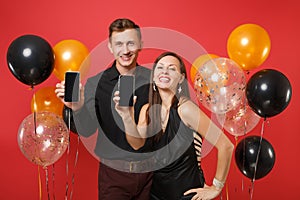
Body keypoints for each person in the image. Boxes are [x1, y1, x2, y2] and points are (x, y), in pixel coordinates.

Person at [113, 52, 234, 200]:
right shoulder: (147, 110)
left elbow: (226, 146)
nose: (164, 71)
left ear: (181, 78)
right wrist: (127, 116)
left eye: (172, 68)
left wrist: (216, 187)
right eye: (160, 67)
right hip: (156, 195)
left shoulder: (186, 109)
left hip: (187, 195)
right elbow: (136, 144)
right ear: (154, 76)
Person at [55, 18, 153, 200]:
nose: (125, 51)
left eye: (131, 43)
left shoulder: (153, 80)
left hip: (152, 174)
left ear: (141, 44)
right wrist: (77, 108)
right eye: (119, 44)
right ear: (110, 47)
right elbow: (86, 130)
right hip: (113, 176)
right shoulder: (96, 83)